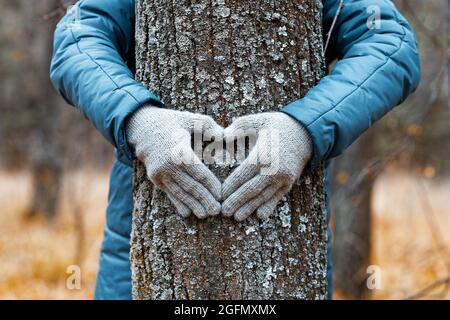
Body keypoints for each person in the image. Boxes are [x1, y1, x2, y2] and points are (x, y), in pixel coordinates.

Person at [50, 0, 420, 300]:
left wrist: (305, 127)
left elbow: (390, 42)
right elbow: (78, 35)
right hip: (137, 256)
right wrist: (138, 119)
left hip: (287, 248)